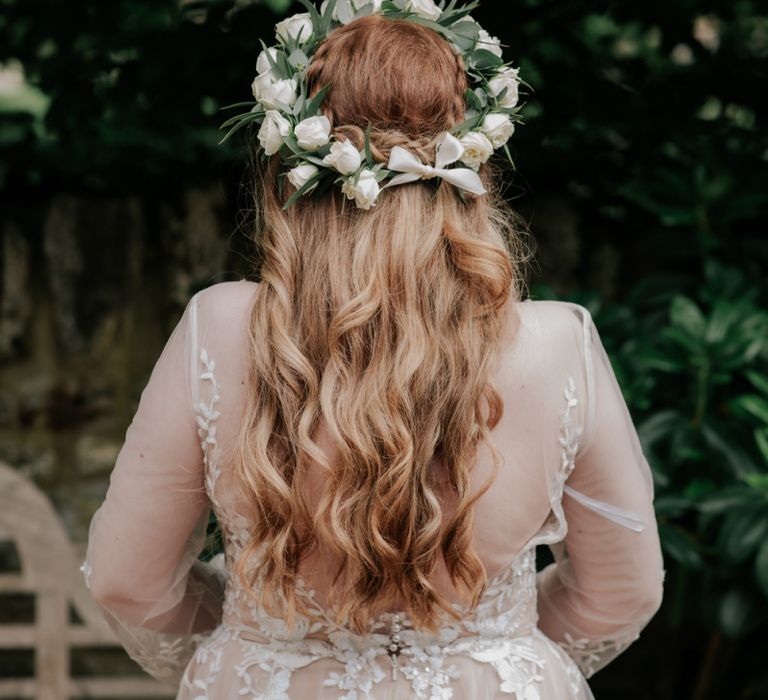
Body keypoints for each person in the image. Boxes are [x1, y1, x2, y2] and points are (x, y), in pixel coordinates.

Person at [81, 3, 665, 698]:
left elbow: (127, 579)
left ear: (288, 164)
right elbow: (623, 591)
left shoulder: (219, 328)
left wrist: (255, 647)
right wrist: (495, 653)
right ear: (474, 160)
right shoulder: (558, 344)